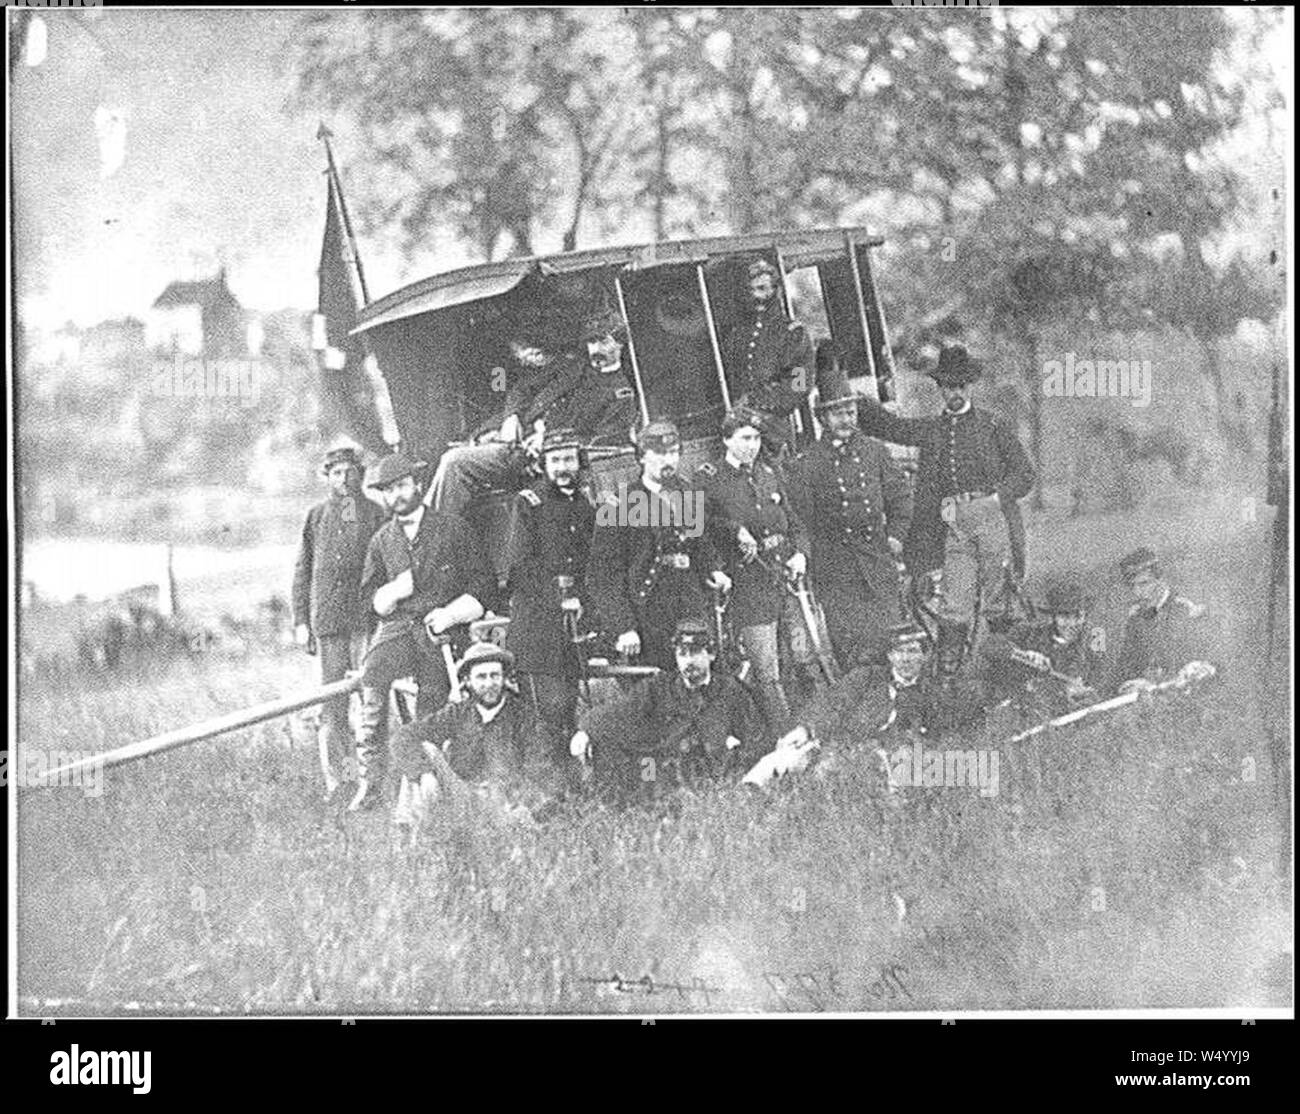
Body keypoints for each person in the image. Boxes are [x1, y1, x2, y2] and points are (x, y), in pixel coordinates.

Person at [855, 344, 1035, 678]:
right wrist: (854, 401)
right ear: (940, 389)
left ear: (970, 386)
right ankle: (949, 684)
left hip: (991, 517)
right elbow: (893, 428)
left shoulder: (993, 426)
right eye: (947, 386)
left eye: (959, 386)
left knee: (1000, 600)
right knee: (954, 605)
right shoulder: (934, 429)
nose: (953, 392)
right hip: (954, 525)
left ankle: (1008, 675)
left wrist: (995, 500)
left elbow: (1025, 475)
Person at [350, 452, 496, 812]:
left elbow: (484, 583)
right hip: (398, 629)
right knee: (372, 678)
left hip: (441, 631)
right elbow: (369, 597)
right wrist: (394, 591)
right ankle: (370, 780)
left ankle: (429, 788)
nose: (397, 495)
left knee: (430, 707)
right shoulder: (382, 540)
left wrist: (451, 613)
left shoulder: (453, 528)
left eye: (401, 485)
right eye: (388, 490)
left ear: (417, 484)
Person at [427, 309, 639, 517]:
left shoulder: (620, 393)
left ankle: (433, 534)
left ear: (620, 343)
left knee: (454, 462)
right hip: (515, 441)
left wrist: (550, 442)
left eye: (604, 341)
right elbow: (522, 388)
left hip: (545, 463)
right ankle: (433, 529)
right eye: (592, 342)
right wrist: (512, 416)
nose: (595, 349)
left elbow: (604, 444)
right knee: (451, 457)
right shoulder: (573, 367)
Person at [786, 353, 913, 670]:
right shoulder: (808, 464)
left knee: (892, 641)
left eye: (851, 412)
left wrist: (896, 538)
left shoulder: (875, 452)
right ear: (822, 419)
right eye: (838, 414)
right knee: (852, 651)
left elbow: (901, 499)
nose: (847, 420)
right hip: (836, 570)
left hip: (877, 561)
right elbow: (800, 520)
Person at [698, 405, 810, 733]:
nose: (753, 445)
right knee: (766, 669)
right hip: (750, 585)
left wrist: (800, 553)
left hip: (785, 579)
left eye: (757, 438)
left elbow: (795, 522)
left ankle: (814, 722)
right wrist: (733, 529)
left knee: (803, 656)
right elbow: (700, 527)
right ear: (726, 440)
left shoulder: (769, 473)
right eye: (745, 438)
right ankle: (784, 735)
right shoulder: (710, 480)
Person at [571, 617, 767, 803]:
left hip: (709, 779)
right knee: (636, 759)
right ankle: (631, 801)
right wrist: (586, 730)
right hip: (659, 776)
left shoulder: (730, 691)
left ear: (711, 654)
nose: (689, 661)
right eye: (682, 654)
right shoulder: (659, 686)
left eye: (696, 653)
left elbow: (756, 739)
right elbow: (621, 709)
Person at [588, 420, 732, 671]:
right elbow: (603, 575)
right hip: (649, 608)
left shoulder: (688, 492)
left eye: (674, 452)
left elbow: (700, 544)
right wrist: (624, 627)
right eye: (660, 454)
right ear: (642, 457)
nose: (669, 460)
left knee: (700, 672)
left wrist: (715, 569)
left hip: (690, 600)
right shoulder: (619, 505)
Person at [290, 443, 388, 803]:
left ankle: (371, 780)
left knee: (370, 701)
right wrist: (301, 621)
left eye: (350, 471)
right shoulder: (316, 517)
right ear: (327, 477)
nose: (344, 479)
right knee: (332, 706)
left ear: (361, 474)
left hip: (366, 621)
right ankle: (341, 781)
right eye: (336, 473)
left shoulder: (377, 515)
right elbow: (302, 571)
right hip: (329, 624)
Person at [503, 427, 596, 791]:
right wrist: (559, 600)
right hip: (538, 628)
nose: (562, 468)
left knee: (567, 708)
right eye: (555, 460)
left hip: (572, 628)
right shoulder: (528, 504)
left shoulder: (585, 505)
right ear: (543, 464)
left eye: (568, 460)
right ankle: (547, 792)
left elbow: (593, 561)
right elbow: (519, 568)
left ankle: (572, 788)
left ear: (579, 462)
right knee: (546, 713)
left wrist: (583, 601)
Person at [389, 642, 544, 842]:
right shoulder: (459, 712)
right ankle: (412, 836)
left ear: (504, 678)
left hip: (502, 804)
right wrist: (423, 772)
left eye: (494, 676)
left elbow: (540, 767)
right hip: (460, 796)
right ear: (468, 681)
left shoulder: (523, 716)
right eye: (481, 677)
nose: (489, 684)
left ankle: (420, 838)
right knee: (424, 751)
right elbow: (404, 736)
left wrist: (527, 806)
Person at [721, 257, 815, 459]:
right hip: (737, 424)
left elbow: (799, 384)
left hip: (774, 425)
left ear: (775, 289)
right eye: (752, 289)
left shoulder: (791, 333)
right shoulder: (737, 334)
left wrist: (760, 403)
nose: (757, 296)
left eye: (763, 288)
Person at [980, 575, 1105, 714]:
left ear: (1085, 615)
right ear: (1053, 617)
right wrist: (1023, 654)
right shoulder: (1030, 632)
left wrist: (1079, 686)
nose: (1072, 624)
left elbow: (1098, 671)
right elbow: (989, 646)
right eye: (1064, 617)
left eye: (1078, 616)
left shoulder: (1095, 635)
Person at [1111, 546, 1217, 693]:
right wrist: (1128, 683)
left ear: (1161, 579)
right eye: (1132, 586)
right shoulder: (1136, 620)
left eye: (1144, 584)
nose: (1138, 593)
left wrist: (1152, 687)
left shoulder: (1186, 611)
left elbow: (1203, 671)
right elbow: (1125, 669)